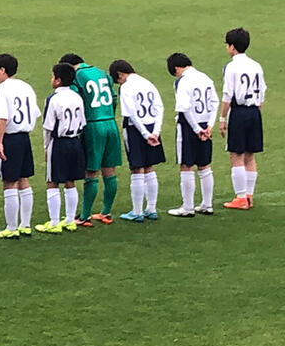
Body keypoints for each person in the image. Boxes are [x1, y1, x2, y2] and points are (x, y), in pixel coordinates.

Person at [62, 53, 121, 226]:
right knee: (109, 169)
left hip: (93, 125)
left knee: (91, 171)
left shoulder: (78, 76)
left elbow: (75, 100)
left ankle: (84, 215)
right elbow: (114, 98)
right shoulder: (102, 73)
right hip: (110, 122)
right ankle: (106, 212)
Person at [0, 53, 41, 239]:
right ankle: (25, 225)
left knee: (9, 182)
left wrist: (0, 141)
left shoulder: (2, 89)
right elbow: (35, 113)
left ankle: (11, 228)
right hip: (24, 136)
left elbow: (2, 117)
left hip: (11, 138)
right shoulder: (26, 86)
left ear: (3, 70)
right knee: (24, 179)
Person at [112, 59, 165, 222]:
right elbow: (160, 107)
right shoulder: (148, 83)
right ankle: (151, 208)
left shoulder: (126, 87)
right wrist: (155, 132)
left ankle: (136, 211)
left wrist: (143, 133)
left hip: (136, 129)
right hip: (152, 126)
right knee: (149, 167)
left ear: (120, 74)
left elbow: (131, 113)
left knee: (137, 168)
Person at [37, 63, 87, 233]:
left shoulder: (53, 99)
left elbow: (48, 127)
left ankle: (54, 222)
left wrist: (46, 147)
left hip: (59, 143)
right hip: (75, 141)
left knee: (52, 181)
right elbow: (82, 122)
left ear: (58, 80)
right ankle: (70, 220)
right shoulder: (77, 97)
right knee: (70, 181)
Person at [219, 27, 265, 209]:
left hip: (239, 111)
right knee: (250, 155)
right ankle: (249, 195)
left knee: (236, 154)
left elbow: (227, 95)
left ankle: (240, 198)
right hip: (254, 111)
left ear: (232, 47)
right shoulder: (256, 65)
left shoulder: (231, 67)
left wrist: (222, 119)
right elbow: (262, 93)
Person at [167, 53, 217, 217]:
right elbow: (214, 103)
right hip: (205, 124)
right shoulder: (205, 78)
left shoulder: (182, 81)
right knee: (204, 165)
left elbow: (184, 108)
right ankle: (207, 204)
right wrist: (209, 126)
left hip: (189, 126)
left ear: (176, 68)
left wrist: (196, 129)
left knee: (186, 165)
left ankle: (187, 207)